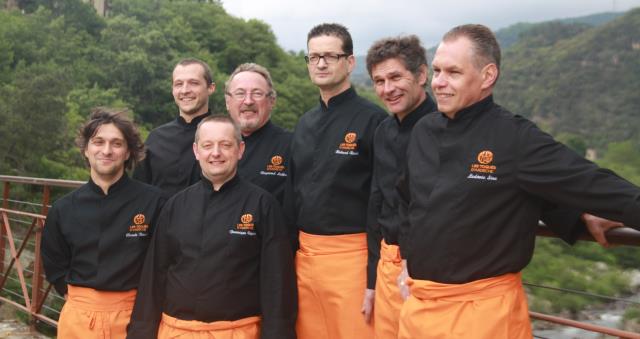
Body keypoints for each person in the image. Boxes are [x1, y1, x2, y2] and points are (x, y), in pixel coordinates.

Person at [396, 24, 640, 339]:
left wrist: (577, 212)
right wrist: (406, 259)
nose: (439, 83)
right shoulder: (423, 131)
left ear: (487, 76)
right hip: (419, 310)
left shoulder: (516, 139)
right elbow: (407, 200)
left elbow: (602, 189)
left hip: (483, 317)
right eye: (437, 71)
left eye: (453, 73)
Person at [127, 115, 296, 339]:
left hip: (237, 332)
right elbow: (153, 278)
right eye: (208, 145)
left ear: (240, 150)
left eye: (226, 145)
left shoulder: (263, 205)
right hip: (177, 332)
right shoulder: (175, 206)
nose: (216, 153)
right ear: (196, 151)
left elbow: (277, 284)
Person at [287, 23, 386, 339]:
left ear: (350, 62)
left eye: (330, 55)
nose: (320, 63)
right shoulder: (304, 124)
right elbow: (293, 194)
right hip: (305, 258)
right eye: (313, 57)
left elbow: (382, 199)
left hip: (352, 259)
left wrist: (373, 275)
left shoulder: (374, 121)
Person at [42, 108, 165, 339]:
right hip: (78, 319)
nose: (107, 151)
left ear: (128, 152)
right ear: (86, 150)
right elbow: (54, 263)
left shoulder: (155, 201)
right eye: (98, 142)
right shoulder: (63, 208)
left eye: (116, 144)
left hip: (135, 318)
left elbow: (164, 262)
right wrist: (84, 302)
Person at [364, 35, 437, 338]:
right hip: (387, 265)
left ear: (421, 75)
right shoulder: (383, 130)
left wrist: (414, 261)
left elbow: (435, 208)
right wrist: (371, 282)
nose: (387, 89)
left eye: (395, 77)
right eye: (379, 81)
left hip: (427, 270)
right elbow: (377, 203)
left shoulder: (442, 126)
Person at [133, 58, 216, 198]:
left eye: (193, 83)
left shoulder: (225, 136)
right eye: (178, 84)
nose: (185, 90)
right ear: (172, 90)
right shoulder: (155, 138)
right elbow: (138, 192)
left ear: (210, 88)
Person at [225, 63, 291, 204]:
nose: (248, 101)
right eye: (240, 93)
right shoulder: (211, 147)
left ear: (272, 101)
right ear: (227, 102)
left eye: (257, 93)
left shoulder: (292, 146)